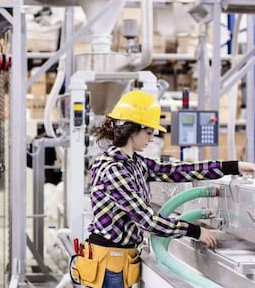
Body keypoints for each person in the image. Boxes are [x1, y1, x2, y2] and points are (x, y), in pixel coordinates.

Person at [86, 90, 255, 288]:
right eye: (148, 132)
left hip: (122, 259)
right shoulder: (113, 169)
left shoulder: (135, 163)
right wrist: (193, 230)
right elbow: (147, 220)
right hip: (109, 264)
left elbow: (177, 170)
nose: (151, 139)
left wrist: (232, 167)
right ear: (132, 130)